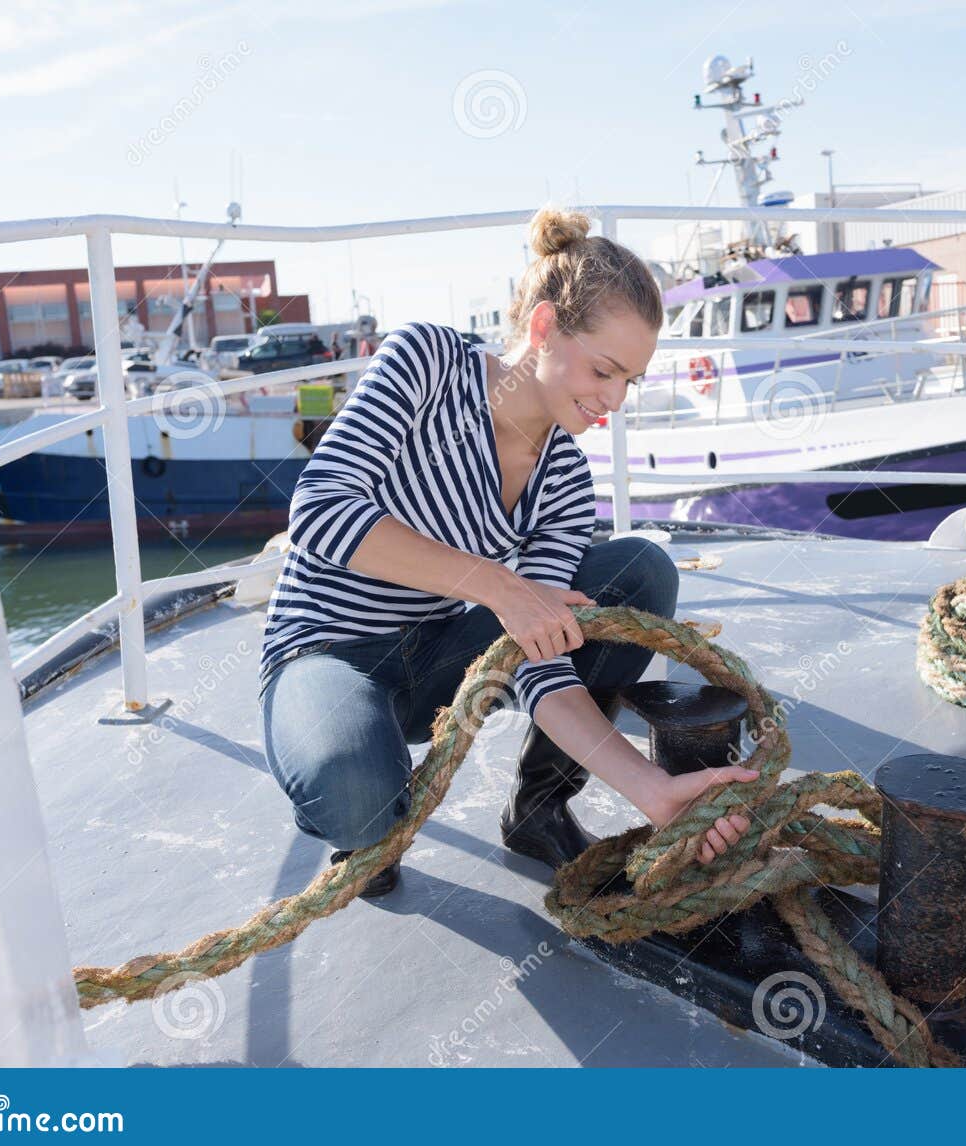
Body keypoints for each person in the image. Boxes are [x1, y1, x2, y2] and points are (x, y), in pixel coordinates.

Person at [259, 206, 757, 899]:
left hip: (439, 655)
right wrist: (498, 585)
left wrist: (655, 792)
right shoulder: (426, 362)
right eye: (604, 370)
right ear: (546, 326)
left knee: (637, 572)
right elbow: (320, 510)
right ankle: (362, 812)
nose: (613, 400)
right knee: (354, 793)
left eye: (629, 382)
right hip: (326, 650)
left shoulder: (564, 481)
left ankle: (539, 808)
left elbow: (540, 662)